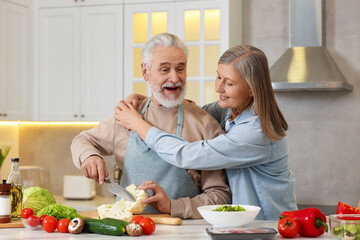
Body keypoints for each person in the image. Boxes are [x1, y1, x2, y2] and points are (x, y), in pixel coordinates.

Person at [115, 45, 298, 220]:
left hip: (270, 226)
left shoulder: (255, 132)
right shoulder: (230, 109)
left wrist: (137, 124)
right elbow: (190, 114)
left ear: (251, 88)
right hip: (246, 226)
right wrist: (146, 101)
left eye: (229, 83)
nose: (218, 88)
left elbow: (186, 155)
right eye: (219, 77)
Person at [71, 33, 231, 219]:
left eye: (180, 68)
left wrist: (174, 206)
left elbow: (220, 196)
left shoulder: (204, 125)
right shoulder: (127, 114)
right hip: (128, 230)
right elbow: (82, 140)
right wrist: (89, 156)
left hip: (182, 233)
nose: (175, 77)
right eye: (165, 70)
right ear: (145, 72)